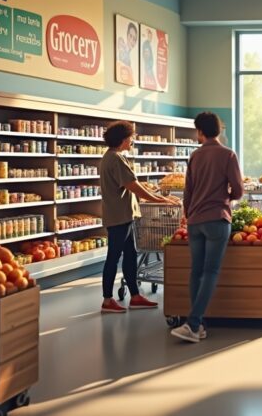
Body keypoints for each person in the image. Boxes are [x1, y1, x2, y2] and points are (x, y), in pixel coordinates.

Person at [171, 112, 244, 343]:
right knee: (211, 272)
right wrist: (226, 196)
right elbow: (239, 190)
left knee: (196, 270)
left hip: (195, 221)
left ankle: (198, 325)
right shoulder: (228, 154)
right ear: (219, 130)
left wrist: (188, 214)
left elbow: (187, 192)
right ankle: (193, 323)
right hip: (217, 219)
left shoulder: (194, 156)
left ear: (199, 132)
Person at [99, 121, 173, 313]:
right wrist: (161, 200)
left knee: (130, 255)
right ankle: (107, 300)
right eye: (130, 137)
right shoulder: (116, 159)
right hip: (119, 217)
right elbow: (135, 187)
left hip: (122, 215)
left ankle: (135, 296)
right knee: (113, 257)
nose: (132, 140)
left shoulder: (110, 157)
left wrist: (159, 196)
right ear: (123, 139)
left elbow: (134, 187)